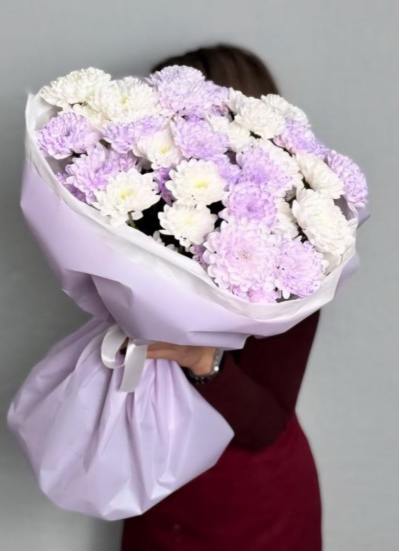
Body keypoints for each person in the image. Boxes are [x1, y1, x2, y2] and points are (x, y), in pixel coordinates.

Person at [120, 44, 322, 551]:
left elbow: (263, 425)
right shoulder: (148, 216)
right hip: (156, 479)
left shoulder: (297, 246)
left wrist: (200, 359)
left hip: (247, 502)